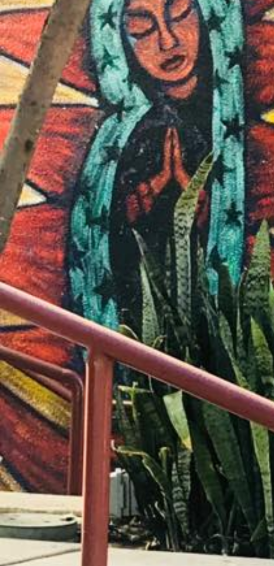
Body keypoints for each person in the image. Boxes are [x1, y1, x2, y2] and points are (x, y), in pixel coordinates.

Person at [69, 0, 247, 333]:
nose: (167, 40)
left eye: (179, 11)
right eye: (141, 26)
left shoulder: (233, 130)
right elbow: (104, 262)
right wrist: (136, 212)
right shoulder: (119, 139)